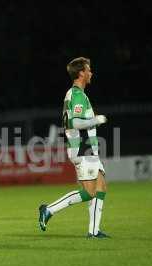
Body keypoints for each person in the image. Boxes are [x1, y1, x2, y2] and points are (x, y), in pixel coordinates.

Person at [38, 57, 110, 238]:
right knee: (89, 192)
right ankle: (49, 209)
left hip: (87, 148)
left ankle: (93, 232)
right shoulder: (77, 94)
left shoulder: (77, 94)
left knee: (100, 187)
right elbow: (75, 122)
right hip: (82, 149)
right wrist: (97, 120)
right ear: (81, 73)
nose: (91, 72)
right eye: (88, 69)